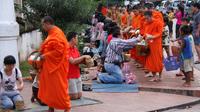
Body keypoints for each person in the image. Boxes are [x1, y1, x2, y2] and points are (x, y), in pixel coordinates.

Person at [38, 16, 70, 112]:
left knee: (59, 88)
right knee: (49, 88)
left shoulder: (57, 34)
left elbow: (59, 51)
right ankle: (50, 107)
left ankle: (67, 108)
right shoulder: (51, 33)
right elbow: (49, 46)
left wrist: (46, 55)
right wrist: (41, 52)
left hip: (57, 67)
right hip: (49, 66)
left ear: (47, 23)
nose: (43, 27)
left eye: (43, 24)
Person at [67, 32, 90, 100]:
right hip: (69, 75)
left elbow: (78, 60)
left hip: (77, 74)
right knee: (74, 97)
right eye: (77, 38)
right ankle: (60, 94)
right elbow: (73, 61)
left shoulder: (75, 48)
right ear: (73, 39)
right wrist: (83, 56)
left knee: (79, 95)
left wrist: (86, 61)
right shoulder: (66, 48)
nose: (77, 40)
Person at [143, 11, 164, 82]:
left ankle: (160, 76)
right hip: (149, 43)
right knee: (150, 61)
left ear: (151, 16)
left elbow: (160, 33)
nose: (146, 20)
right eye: (145, 18)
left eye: (147, 18)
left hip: (156, 44)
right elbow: (145, 32)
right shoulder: (146, 23)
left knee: (158, 60)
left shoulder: (158, 22)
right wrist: (144, 37)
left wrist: (152, 37)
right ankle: (154, 76)